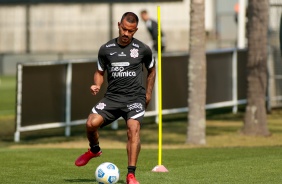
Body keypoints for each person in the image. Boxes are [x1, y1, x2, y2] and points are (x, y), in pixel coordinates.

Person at [74, 12, 156, 184]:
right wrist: (97, 84)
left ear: (136, 30)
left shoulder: (143, 49)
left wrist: (147, 94)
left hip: (134, 99)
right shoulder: (106, 49)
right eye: (124, 29)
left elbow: (152, 70)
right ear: (118, 25)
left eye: (131, 31)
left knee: (133, 130)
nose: (126, 34)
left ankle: (131, 175)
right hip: (112, 98)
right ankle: (94, 150)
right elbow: (99, 72)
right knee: (90, 124)